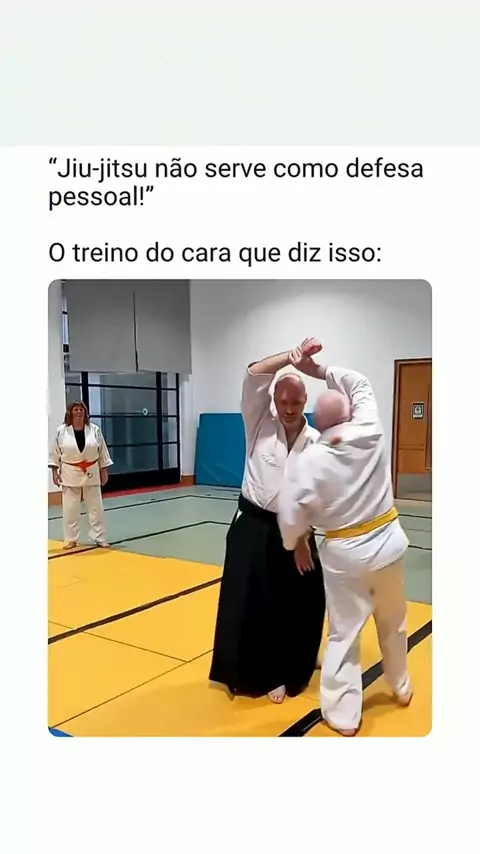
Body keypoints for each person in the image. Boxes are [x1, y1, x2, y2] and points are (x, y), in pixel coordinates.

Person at [278, 355, 412, 736]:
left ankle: (344, 716)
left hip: (345, 557)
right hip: (389, 545)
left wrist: (294, 541)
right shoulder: (370, 427)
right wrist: (317, 370)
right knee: (394, 622)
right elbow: (360, 382)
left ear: (318, 423)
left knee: (344, 633)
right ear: (351, 412)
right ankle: (401, 686)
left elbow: (290, 514)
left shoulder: (309, 460)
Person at [209, 338, 326, 704]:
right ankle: (267, 672)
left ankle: (301, 656)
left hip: (297, 530)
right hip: (254, 526)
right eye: (283, 401)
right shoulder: (259, 422)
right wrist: (290, 357)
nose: (289, 409)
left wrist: (304, 536)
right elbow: (254, 374)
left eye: (296, 402)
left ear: (305, 402)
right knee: (257, 602)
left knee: (305, 598)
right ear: (274, 399)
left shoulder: (316, 442)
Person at [49, 401, 113, 549]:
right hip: (69, 473)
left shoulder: (94, 430)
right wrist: (54, 472)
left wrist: (104, 470)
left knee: (96, 509)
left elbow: (102, 451)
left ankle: (100, 537)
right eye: (76, 410)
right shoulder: (62, 431)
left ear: (85, 412)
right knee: (70, 509)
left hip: (91, 472)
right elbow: (54, 453)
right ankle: (71, 539)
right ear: (70, 413)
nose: (79, 412)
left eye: (81, 410)